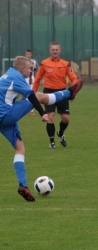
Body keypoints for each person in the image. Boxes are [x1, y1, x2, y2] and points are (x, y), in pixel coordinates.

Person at [0, 56, 83, 202]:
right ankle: (69, 93)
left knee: (20, 148)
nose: (32, 71)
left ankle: (23, 186)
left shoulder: (7, 75)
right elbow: (32, 96)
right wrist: (43, 113)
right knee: (37, 95)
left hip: (4, 117)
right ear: (21, 69)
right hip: (6, 114)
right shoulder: (16, 76)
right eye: (30, 68)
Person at [33, 41, 79, 149]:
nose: (54, 51)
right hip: (48, 92)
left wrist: (74, 92)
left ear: (60, 50)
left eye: (56, 49)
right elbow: (37, 79)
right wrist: (32, 94)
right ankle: (52, 142)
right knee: (51, 117)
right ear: (50, 51)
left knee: (66, 118)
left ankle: (60, 133)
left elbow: (73, 78)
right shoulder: (44, 63)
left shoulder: (65, 64)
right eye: (53, 49)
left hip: (62, 92)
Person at [24, 49, 38, 116]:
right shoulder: (23, 62)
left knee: (32, 94)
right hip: (25, 80)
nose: (28, 55)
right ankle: (23, 107)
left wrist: (35, 78)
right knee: (24, 94)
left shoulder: (33, 62)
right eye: (27, 54)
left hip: (32, 80)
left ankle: (31, 110)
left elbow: (34, 71)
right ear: (25, 54)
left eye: (29, 54)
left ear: (31, 55)